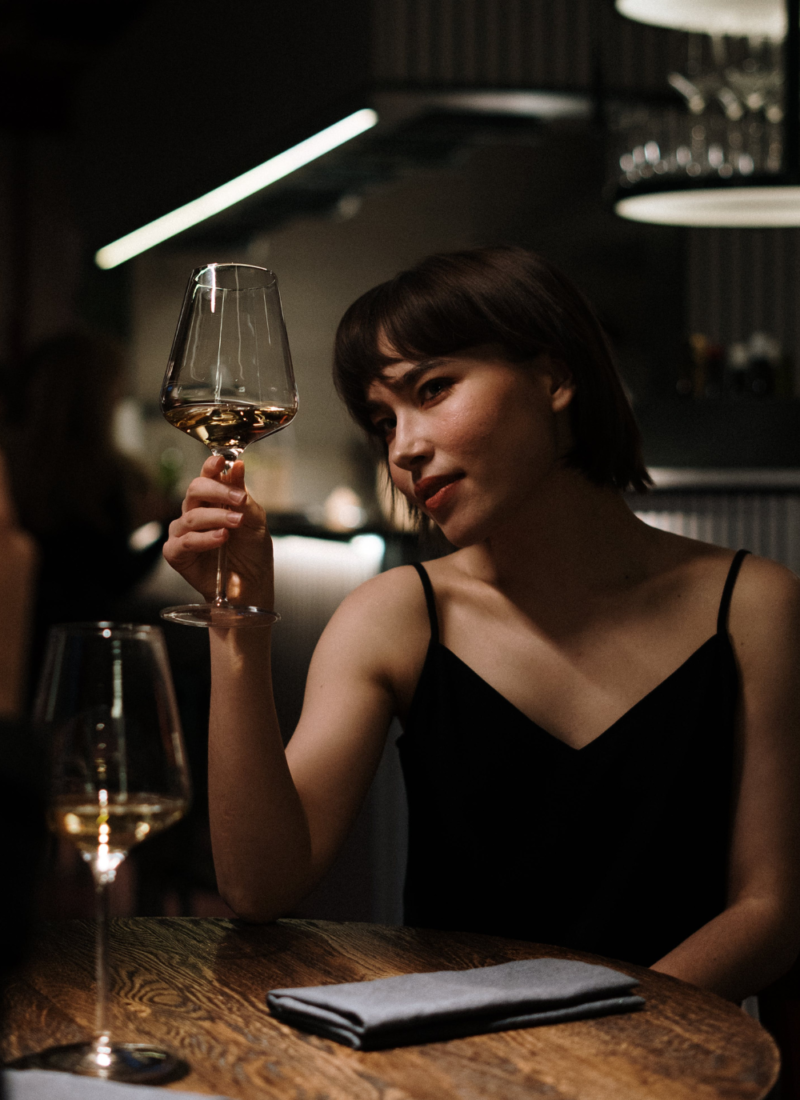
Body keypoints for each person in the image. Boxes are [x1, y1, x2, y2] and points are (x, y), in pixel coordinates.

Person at [164, 246, 800, 1003]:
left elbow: (770, 912)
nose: (403, 449)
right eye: (382, 419)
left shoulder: (754, 605)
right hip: (454, 1065)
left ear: (556, 377)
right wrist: (239, 622)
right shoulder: (398, 615)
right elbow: (260, 884)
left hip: (676, 1071)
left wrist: (610, 1043)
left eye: (432, 390)